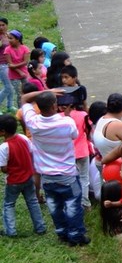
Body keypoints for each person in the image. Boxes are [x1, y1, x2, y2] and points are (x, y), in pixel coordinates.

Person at [20, 89, 88, 245]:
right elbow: (74, 135)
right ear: (53, 106)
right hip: (68, 175)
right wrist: (68, 114)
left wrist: (47, 91)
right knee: (73, 205)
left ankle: (62, 232)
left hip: (47, 176)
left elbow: (24, 98)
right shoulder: (66, 122)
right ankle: (76, 236)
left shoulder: (33, 123)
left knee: (54, 206)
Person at [0, 113, 47, 237]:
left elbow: (4, 168)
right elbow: (31, 152)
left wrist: (7, 169)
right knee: (32, 202)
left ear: (3, 131)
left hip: (14, 181)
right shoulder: (23, 137)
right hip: (28, 177)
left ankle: (10, 231)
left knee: (9, 204)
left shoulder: (4, 147)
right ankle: (40, 227)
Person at [6, 30, 29, 108]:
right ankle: (21, 110)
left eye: (11, 38)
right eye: (8, 38)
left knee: (27, 91)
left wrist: (13, 66)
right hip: (14, 76)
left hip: (24, 74)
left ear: (18, 39)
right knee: (19, 94)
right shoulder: (7, 50)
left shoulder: (25, 48)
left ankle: (28, 107)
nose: (9, 40)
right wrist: (19, 71)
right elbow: (9, 64)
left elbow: (25, 62)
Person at [0, 18, 13, 113]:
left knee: (11, 85)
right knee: (8, 86)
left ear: (7, 25)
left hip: (10, 63)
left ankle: (10, 105)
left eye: (3, 25)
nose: (1, 27)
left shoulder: (8, 35)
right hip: (1, 64)